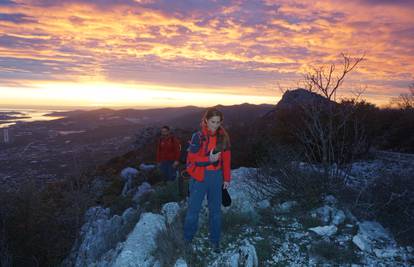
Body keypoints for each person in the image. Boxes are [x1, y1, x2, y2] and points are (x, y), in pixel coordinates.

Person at [183, 107, 231, 253]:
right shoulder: (198, 137)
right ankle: (187, 239)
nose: (215, 125)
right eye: (212, 122)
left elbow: (227, 159)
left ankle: (215, 241)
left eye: (218, 122)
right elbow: (191, 159)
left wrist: (227, 178)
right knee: (193, 211)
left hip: (216, 177)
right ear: (205, 120)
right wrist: (208, 159)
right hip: (200, 177)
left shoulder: (223, 137)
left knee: (216, 211)